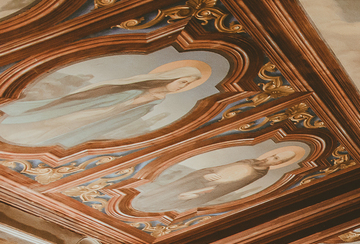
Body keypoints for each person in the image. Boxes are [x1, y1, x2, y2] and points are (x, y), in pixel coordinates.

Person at [0, 64, 207, 148]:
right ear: (172, 76)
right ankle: (11, 131)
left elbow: (128, 115)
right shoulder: (137, 86)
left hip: (100, 119)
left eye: (188, 85)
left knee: (56, 130)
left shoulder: (158, 99)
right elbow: (100, 92)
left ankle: (20, 140)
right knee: (47, 121)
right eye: (183, 81)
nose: (184, 86)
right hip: (90, 109)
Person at [131, 145, 306, 214]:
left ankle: (147, 206)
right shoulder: (249, 161)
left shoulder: (256, 174)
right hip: (195, 179)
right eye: (274, 154)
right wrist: (205, 174)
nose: (271, 158)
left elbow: (224, 189)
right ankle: (142, 201)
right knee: (166, 190)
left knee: (173, 196)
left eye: (276, 159)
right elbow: (214, 169)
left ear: (281, 163)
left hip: (199, 189)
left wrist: (196, 192)